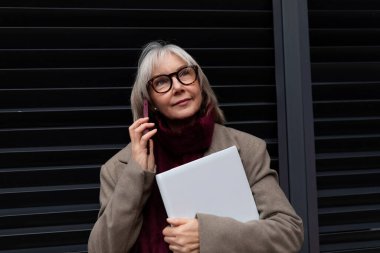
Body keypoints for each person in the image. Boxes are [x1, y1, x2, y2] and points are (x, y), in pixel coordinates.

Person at [88, 41, 304, 253]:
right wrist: (136, 172)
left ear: (199, 82)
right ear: (149, 101)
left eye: (184, 74)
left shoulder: (247, 149)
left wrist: (207, 235)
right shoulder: (118, 168)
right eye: (162, 82)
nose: (178, 87)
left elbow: (289, 231)